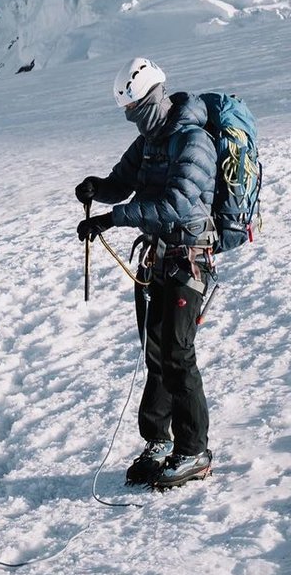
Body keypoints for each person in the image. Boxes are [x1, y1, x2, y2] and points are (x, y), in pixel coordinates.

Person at [76, 56, 218, 489]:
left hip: (188, 259)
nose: (132, 118)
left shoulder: (194, 141)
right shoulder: (149, 141)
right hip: (156, 259)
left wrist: (113, 218)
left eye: (135, 109)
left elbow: (176, 204)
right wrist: (98, 188)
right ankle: (158, 440)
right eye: (127, 112)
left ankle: (194, 451)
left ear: (153, 99)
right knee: (155, 352)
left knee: (177, 354)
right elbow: (123, 181)